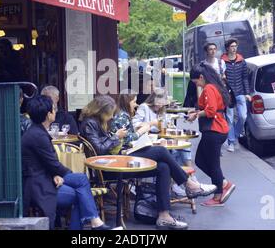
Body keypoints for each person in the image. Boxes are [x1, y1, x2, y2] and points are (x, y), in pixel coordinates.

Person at [79, 95, 217, 230]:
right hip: (108, 168)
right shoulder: (89, 124)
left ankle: (164, 215)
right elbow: (100, 150)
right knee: (161, 151)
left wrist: (121, 141)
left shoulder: (97, 122)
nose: (111, 117)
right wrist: (116, 137)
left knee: (163, 167)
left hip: (115, 160)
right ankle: (189, 184)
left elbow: (105, 145)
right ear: (101, 111)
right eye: (109, 114)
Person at [22, 95, 110, 230]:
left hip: (44, 178)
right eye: (53, 109)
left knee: (81, 183)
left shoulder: (36, 131)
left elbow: (47, 163)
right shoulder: (38, 135)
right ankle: (94, 222)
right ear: (48, 114)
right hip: (39, 186)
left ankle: (94, 221)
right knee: (80, 191)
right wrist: (60, 174)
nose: (55, 111)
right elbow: (54, 164)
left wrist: (56, 175)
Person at [187, 63, 236, 207]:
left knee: (213, 164)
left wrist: (195, 115)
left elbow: (211, 111)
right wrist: (196, 112)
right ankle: (224, 184)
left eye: (196, 82)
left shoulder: (208, 88)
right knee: (201, 160)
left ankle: (218, 196)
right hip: (216, 129)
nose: (197, 85)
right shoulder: (214, 86)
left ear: (201, 77)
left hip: (214, 130)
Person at [221, 39, 251, 152]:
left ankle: (236, 134)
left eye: (235, 46)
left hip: (240, 92)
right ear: (227, 48)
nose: (234, 48)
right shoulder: (222, 62)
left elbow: (245, 78)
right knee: (229, 118)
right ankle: (231, 142)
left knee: (243, 116)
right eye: (232, 46)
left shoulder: (241, 61)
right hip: (228, 93)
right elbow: (221, 78)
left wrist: (247, 93)